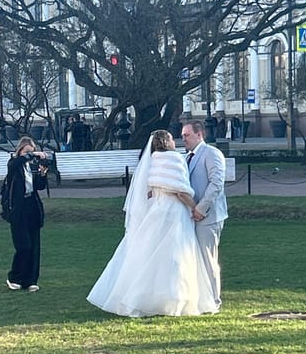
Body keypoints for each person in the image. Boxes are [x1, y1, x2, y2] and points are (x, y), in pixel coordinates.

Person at [87, 130, 217, 318]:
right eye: (172, 138)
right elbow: (180, 190)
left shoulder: (152, 159)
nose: (175, 141)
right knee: (176, 255)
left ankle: (144, 296)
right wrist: (195, 208)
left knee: (151, 253)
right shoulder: (174, 159)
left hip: (157, 209)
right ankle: (175, 298)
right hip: (175, 211)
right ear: (166, 142)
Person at [181, 120, 228, 311]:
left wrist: (201, 208)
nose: (183, 139)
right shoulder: (187, 157)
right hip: (192, 214)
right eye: (183, 135)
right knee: (196, 259)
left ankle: (214, 300)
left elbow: (216, 184)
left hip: (209, 216)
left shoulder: (211, 153)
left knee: (208, 259)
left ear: (199, 134)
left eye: (187, 135)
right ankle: (200, 298)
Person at [4, 136, 49, 292]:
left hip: (32, 207)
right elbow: (16, 164)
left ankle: (30, 280)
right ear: (21, 150)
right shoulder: (14, 164)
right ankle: (14, 277)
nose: (31, 154)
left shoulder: (31, 167)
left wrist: (42, 173)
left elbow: (38, 186)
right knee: (24, 246)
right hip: (18, 209)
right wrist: (34, 154)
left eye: (32, 150)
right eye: (27, 151)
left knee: (34, 247)